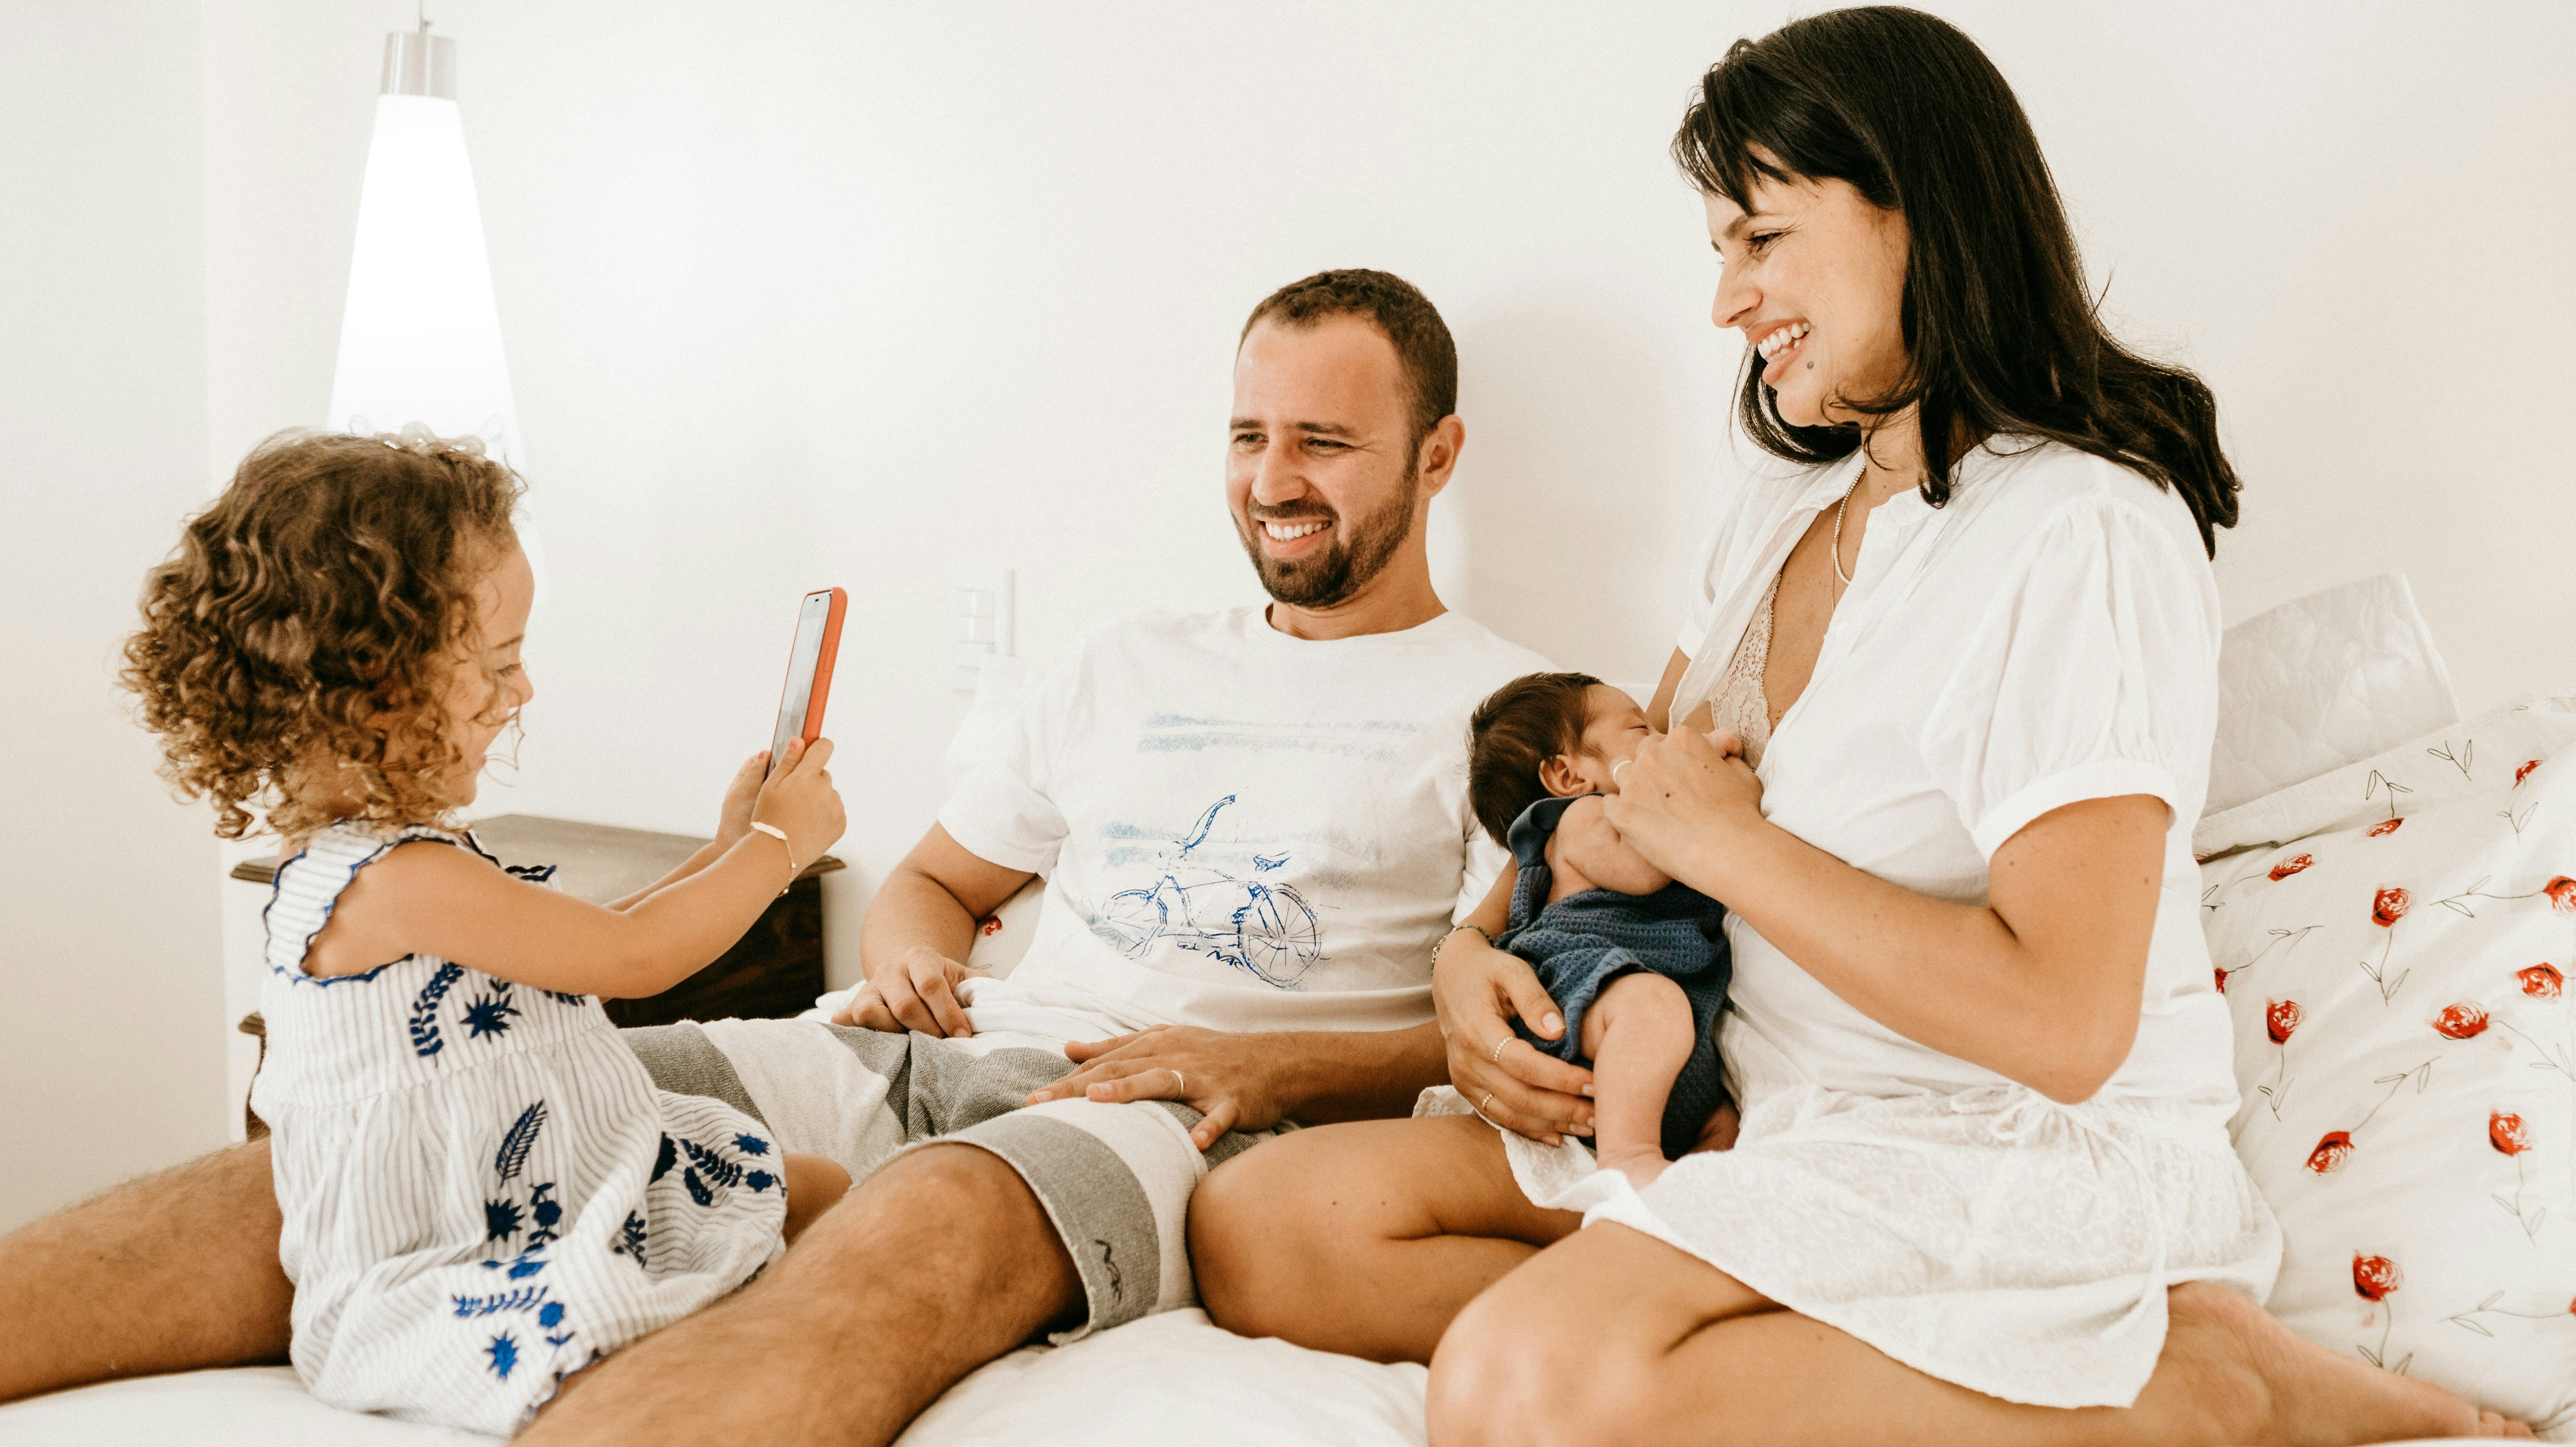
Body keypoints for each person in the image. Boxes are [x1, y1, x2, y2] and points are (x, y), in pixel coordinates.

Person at [1190, 11, 2532, 1442]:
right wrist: (1469, 955)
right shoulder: (1783, 505)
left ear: (1920, 211)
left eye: (1757, 240)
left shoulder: (2074, 526)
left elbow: (2064, 1022)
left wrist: (1736, 850)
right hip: (1749, 1098)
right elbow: (1631, 786)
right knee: (1267, 1223)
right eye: (1715, 246)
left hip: (1989, 1136)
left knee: (1517, 1386)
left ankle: (2211, 1385)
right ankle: (1736, 1304)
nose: (1724, 299)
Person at [0, 268, 1555, 1447]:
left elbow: (1515, 1038)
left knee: (921, 1228)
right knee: (479, 1115)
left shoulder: (1508, 712)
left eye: (1326, 442)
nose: (1275, 478)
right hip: (903, 1048)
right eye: (1248, 434)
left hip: (1161, 1114)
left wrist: (1271, 1073)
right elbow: (937, 883)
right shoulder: (1119, 662)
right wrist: (906, 958)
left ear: (1437, 456)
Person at [118, 429, 854, 1433]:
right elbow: (636, 960)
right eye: (500, 664)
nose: (525, 693)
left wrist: (729, 847)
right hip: (466, 1243)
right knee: (669, 1293)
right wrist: (777, 846)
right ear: (372, 681)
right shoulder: (391, 882)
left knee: (809, 1188)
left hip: (559, 1183)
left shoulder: (391, 859)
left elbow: (588, 944)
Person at [1463, 673, 1728, 1186]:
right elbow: (1646, 867)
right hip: (1576, 988)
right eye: (1640, 730)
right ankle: (1627, 1159)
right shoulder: (1581, 819)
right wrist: (1700, 767)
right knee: (1651, 1006)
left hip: (1652, 1031)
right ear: (1566, 776)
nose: (1661, 742)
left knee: (1722, 1120)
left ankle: (1690, 1186)